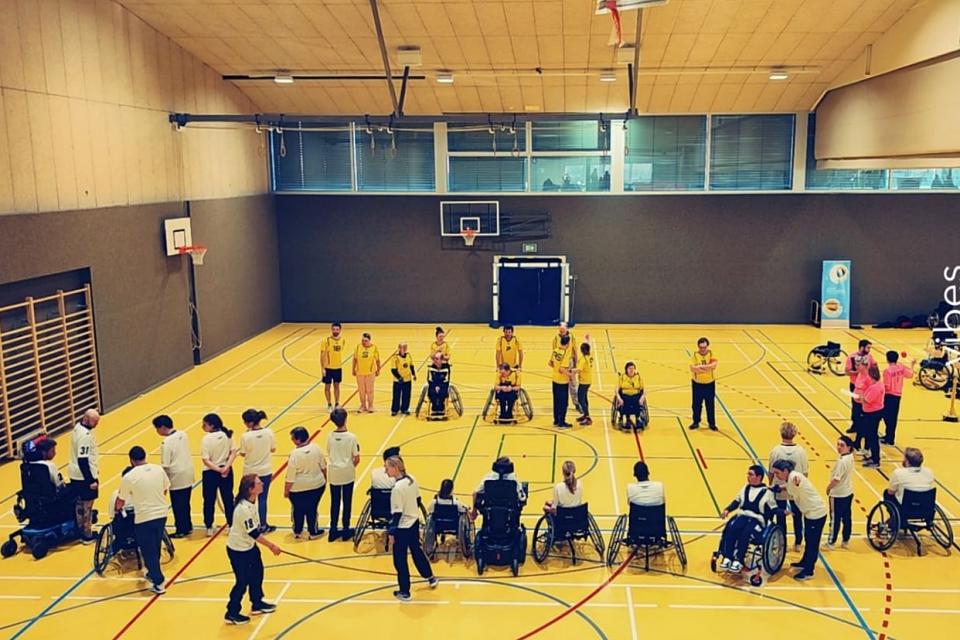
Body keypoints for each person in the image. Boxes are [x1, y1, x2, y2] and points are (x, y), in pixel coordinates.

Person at [225, 474, 280, 625]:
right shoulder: (243, 509)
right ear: (251, 489)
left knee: (257, 573)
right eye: (258, 483)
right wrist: (272, 546)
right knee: (242, 581)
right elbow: (254, 533)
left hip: (249, 547)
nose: (262, 484)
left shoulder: (252, 502)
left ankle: (257, 602)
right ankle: (231, 612)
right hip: (239, 551)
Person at [116, 446, 170, 595]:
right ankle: (153, 573)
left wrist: (117, 509)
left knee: (148, 550)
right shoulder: (158, 469)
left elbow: (121, 500)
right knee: (155, 545)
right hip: (161, 513)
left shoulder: (129, 476)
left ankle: (159, 582)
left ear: (131, 460)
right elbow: (165, 488)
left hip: (144, 517)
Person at [386, 455, 438, 602]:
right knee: (417, 551)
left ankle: (404, 591)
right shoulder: (411, 479)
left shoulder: (397, 489)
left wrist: (392, 532)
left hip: (402, 528)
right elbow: (418, 499)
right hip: (413, 523)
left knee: (400, 560)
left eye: (387, 467)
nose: (385, 470)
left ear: (395, 468)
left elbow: (397, 513)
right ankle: (430, 577)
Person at [770, 459, 828, 581]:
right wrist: (778, 488)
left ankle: (809, 571)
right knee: (808, 539)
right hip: (809, 513)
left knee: (812, 543)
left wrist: (789, 485)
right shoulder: (789, 478)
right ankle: (805, 562)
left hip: (816, 514)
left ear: (785, 471)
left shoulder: (795, 476)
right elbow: (788, 486)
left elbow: (796, 482)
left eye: (778, 473)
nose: (776, 475)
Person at [718, 465, 778, 572]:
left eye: (751, 474)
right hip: (743, 516)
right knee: (731, 528)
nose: (748, 476)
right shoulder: (745, 488)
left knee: (746, 533)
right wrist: (727, 510)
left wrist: (784, 512)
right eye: (748, 474)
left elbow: (773, 509)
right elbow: (737, 501)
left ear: (759, 477)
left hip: (758, 521)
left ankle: (739, 560)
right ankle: (728, 557)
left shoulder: (767, 493)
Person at [768, 421, 809, 550]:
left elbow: (771, 471)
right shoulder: (801, 451)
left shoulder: (775, 451)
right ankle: (798, 542)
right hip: (795, 488)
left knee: (780, 515)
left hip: (779, 487)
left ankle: (782, 541)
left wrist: (771, 484)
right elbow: (805, 472)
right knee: (797, 515)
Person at [153, 415, 195, 538]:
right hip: (188, 472)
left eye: (157, 428)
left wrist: (164, 483)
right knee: (185, 503)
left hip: (176, 476)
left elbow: (165, 465)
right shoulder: (183, 434)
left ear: (162, 427)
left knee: (178, 505)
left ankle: (181, 529)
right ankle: (188, 526)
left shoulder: (166, 443)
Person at [284, 426, 327, 540]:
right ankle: (313, 531)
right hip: (317, 485)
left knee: (297, 509)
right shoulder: (316, 448)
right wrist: (325, 479)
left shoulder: (294, 454)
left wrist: (286, 490)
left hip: (298, 489)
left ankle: (297, 531)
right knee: (312, 508)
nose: (292, 440)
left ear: (298, 440)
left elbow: (290, 476)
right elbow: (324, 467)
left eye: (292, 438)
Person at [238, 409, 277, 532]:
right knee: (263, 498)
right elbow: (273, 449)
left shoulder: (245, 436)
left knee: (247, 499)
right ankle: (263, 525)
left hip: (250, 472)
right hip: (265, 470)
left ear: (249, 423)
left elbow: (243, 453)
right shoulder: (269, 432)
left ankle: (247, 524)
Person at [67, 408, 101, 544]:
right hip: (84, 476)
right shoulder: (85, 436)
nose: (97, 424)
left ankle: (79, 530)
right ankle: (87, 533)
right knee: (87, 505)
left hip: (74, 474)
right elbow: (83, 459)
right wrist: (90, 480)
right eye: (95, 421)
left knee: (79, 504)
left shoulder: (76, 429)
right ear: (86, 419)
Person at [326, 407, 360, 541]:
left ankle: (333, 529)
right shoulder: (351, 437)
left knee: (334, 502)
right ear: (346, 419)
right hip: (347, 473)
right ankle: (346, 529)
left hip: (334, 472)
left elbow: (328, 452)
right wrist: (349, 466)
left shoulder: (330, 436)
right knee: (347, 502)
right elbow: (356, 458)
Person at [200, 413, 237, 536]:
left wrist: (218, 469)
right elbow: (233, 453)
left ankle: (209, 526)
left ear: (211, 425)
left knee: (209, 500)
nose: (203, 427)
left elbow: (206, 460)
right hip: (226, 470)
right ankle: (231, 524)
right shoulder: (228, 435)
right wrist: (226, 467)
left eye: (204, 424)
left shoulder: (206, 439)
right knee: (228, 498)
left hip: (211, 472)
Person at [825, 436, 855, 549]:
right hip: (848, 491)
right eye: (838, 444)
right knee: (847, 517)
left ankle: (831, 542)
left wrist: (828, 488)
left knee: (835, 518)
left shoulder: (842, 462)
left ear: (849, 447)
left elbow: (836, 479)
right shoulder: (850, 457)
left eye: (842, 445)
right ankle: (846, 540)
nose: (839, 447)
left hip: (838, 494)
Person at [881, 350, 915, 445]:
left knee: (885, 416)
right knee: (893, 417)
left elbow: (886, 386)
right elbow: (911, 375)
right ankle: (890, 437)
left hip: (888, 395)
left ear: (887, 359)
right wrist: (912, 365)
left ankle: (889, 437)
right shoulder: (901, 367)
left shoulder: (887, 371)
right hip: (898, 396)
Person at [854, 365, 885, 469]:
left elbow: (867, 400)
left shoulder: (876, 387)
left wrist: (860, 398)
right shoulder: (875, 385)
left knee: (872, 436)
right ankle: (872, 456)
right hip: (871, 413)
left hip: (873, 414)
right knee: (870, 434)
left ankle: (876, 460)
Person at [844, 340, 876, 433]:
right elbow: (846, 371)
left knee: (865, 405)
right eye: (868, 347)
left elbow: (874, 366)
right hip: (855, 385)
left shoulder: (869, 356)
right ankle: (855, 424)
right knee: (855, 406)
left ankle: (864, 425)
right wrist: (857, 372)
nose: (869, 350)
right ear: (861, 347)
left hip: (867, 386)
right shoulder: (851, 357)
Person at [689, 338, 718, 430]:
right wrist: (707, 368)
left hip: (710, 384)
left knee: (710, 404)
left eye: (704, 347)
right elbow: (693, 369)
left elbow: (714, 366)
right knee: (696, 404)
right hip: (697, 384)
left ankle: (712, 423)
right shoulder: (695, 355)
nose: (703, 349)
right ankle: (696, 422)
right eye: (701, 347)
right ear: (698, 347)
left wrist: (701, 367)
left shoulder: (711, 354)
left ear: (707, 346)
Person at [552, 323, 581, 414]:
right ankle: (564, 405)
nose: (562, 333)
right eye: (560, 331)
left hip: (570, 363)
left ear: (567, 330)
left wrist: (576, 365)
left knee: (573, 384)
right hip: (561, 365)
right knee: (562, 386)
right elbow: (554, 353)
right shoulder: (556, 338)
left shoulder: (572, 337)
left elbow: (575, 351)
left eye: (563, 331)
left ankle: (577, 403)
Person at [549, 334, 574, 428]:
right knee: (564, 403)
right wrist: (570, 374)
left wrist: (556, 368)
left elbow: (550, 363)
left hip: (554, 379)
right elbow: (562, 369)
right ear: (567, 343)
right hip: (562, 382)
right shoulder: (566, 353)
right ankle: (561, 422)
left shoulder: (555, 351)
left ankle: (556, 420)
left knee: (556, 401)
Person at [320, 322, 346, 411]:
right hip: (328, 368)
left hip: (338, 367)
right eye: (334, 329)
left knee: (337, 386)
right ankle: (329, 404)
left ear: (340, 330)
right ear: (331, 329)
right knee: (327, 386)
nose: (335, 331)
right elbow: (322, 355)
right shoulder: (326, 341)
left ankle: (337, 403)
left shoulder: (342, 340)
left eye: (337, 329)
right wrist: (323, 368)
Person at [353, 333, 381, 413]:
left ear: (369, 340)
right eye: (362, 340)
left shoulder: (374, 348)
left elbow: (377, 360)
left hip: (370, 373)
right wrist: (353, 369)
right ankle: (362, 405)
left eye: (365, 341)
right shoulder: (358, 347)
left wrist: (378, 370)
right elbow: (355, 359)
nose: (363, 342)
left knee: (370, 390)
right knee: (361, 390)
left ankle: (371, 405)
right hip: (359, 372)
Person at [616, 361, 648, 431]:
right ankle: (627, 419)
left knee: (637, 401)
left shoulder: (638, 377)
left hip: (636, 395)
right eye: (630, 368)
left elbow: (644, 390)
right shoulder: (622, 377)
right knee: (626, 401)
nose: (631, 370)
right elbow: (617, 390)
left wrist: (642, 397)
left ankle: (638, 419)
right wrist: (619, 398)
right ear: (626, 370)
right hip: (625, 396)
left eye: (633, 368)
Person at [390, 342, 416, 416]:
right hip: (398, 380)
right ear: (399, 349)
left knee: (406, 395)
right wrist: (399, 378)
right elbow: (393, 370)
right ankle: (395, 410)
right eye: (402, 347)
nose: (404, 349)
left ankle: (405, 408)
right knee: (396, 395)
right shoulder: (395, 357)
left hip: (407, 379)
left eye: (405, 347)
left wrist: (414, 374)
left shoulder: (408, 355)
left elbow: (411, 365)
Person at [426, 352, 452, 416]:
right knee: (432, 393)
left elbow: (446, 380)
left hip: (443, 385)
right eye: (435, 359)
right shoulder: (431, 368)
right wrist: (435, 386)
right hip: (433, 385)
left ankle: (441, 407)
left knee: (442, 393)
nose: (435, 360)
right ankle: (434, 407)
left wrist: (439, 386)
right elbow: (429, 380)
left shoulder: (446, 368)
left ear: (441, 360)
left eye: (437, 359)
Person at [575, 342, 594, 426]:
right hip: (588, 380)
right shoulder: (590, 356)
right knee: (585, 399)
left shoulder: (583, 360)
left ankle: (588, 417)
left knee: (581, 399)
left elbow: (578, 370)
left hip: (583, 382)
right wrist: (587, 339)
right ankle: (586, 415)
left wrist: (570, 372)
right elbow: (590, 345)